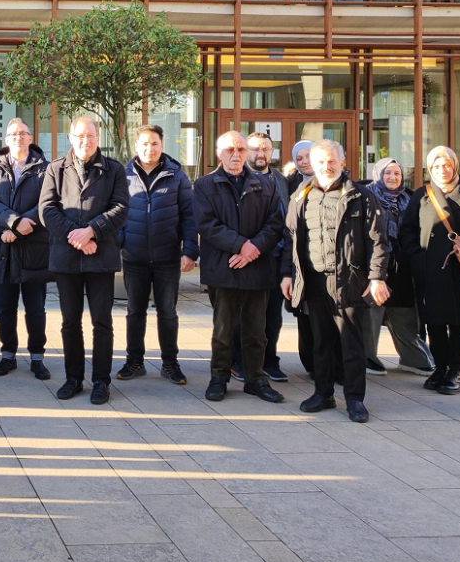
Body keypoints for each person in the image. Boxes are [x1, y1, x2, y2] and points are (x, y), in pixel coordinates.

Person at [279, 141, 391, 424]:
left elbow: (379, 240)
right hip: (313, 280)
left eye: (331, 161)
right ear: (312, 165)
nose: (326, 167)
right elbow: (290, 239)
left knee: (351, 344)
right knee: (320, 341)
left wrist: (377, 277)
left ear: (342, 162)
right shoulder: (300, 196)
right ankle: (323, 393)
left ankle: (354, 399)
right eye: (320, 162)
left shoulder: (361, 196)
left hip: (350, 281)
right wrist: (287, 275)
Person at [38, 116, 130, 405]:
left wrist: (92, 232)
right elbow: (46, 210)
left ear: (98, 137)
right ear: (70, 137)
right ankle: (73, 378)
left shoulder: (113, 169)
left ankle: (101, 381)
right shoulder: (55, 169)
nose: (85, 141)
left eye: (90, 135)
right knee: (69, 322)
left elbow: (121, 208)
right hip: (67, 258)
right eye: (80, 135)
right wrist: (75, 236)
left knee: (102, 323)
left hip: (101, 257)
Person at [193, 131, 286, 405]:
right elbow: (206, 224)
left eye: (241, 150)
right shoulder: (203, 185)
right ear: (218, 153)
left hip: (258, 267)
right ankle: (219, 378)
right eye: (230, 150)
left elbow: (275, 224)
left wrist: (253, 248)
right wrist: (240, 246)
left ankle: (256, 379)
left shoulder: (264, 185)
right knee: (223, 330)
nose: (236, 155)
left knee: (257, 330)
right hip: (223, 269)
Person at [398, 145, 460, 395]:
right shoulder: (423, 194)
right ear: (430, 169)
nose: (442, 170)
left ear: (455, 165)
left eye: (446, 165)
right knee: (435, 323)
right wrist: (417, 258)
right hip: (431, 269)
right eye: (436, 166)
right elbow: (407, 229)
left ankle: (456, 373)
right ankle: (440, 369)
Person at [116, 124, 197, 386]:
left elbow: (189, 216)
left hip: (167, 257)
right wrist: (118, 247)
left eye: (154, 143)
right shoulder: (123, 176)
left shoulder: (177, 176)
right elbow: (116, 215)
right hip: (134, 257)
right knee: (134, 312)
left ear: (162, 146)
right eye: (144, 144)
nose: (149, 148)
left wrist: (189, 252)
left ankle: (170, 363)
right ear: (136, 146)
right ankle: (134, 361)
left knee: (168, 312)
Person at [0, 118, 51, 379]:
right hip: (3, 248)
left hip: (34, 248)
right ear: (6, 140)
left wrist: (20, 227)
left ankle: (37, 357)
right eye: (12, 134)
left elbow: (47, 203)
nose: (18, 137)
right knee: (4, 308)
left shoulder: (46, 170)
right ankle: (7, 355)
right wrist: (13, 222)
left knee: (35, 308)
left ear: (31, 138)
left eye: (23, 133)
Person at [364, 158, 435, 376]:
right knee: (371, 314)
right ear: (378, 174)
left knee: (404, 314)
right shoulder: (366, 196)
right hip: (374, 266)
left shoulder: (411, 199)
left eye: (397, 173)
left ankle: (412, 358)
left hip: (403, 268)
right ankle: (367, 357)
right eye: (388, 173)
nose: (393, 178)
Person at [233, 132, 289, 383]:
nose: (260, 154)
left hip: (274, 257)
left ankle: (269, 359)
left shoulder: (280, 180)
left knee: (273, 315)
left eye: (266, 148)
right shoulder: (237, 178)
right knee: (242, 315)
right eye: (255, 149)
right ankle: (239, 361)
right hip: (245, 255)